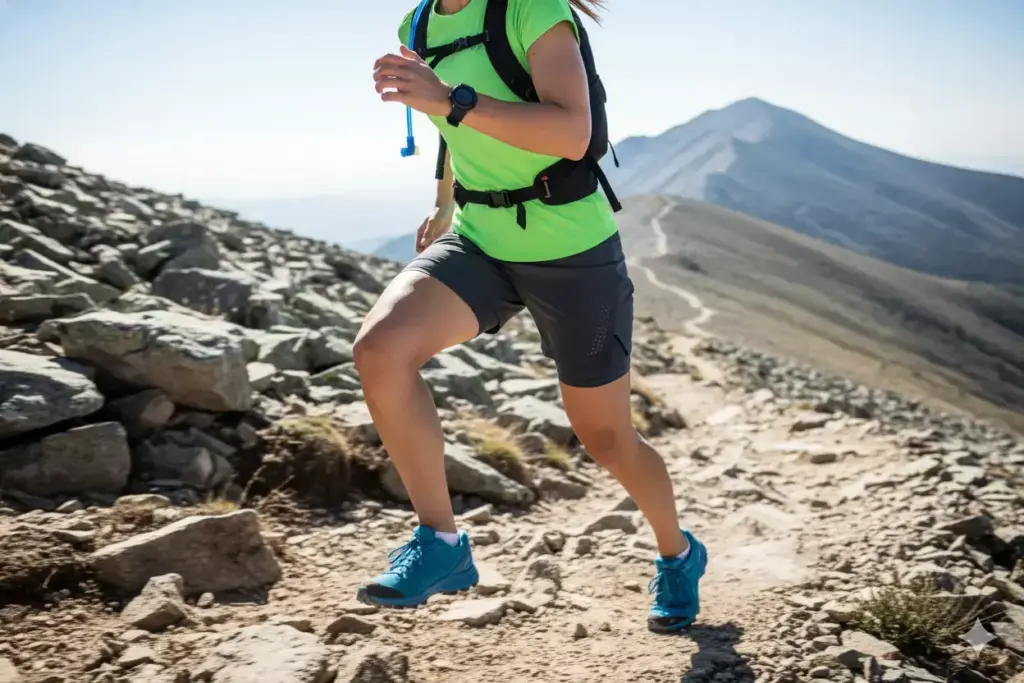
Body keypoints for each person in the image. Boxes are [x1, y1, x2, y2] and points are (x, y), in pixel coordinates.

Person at [356, 0, 707, 633]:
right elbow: (449, 130)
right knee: (381, 350)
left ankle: (678, 553)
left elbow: (572, 132)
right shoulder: (419, 24)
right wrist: (442, 202)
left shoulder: (530, 10)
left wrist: (453, 98)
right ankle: (441, 543)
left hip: (572, 251)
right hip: (480, 239)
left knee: (605, 438)